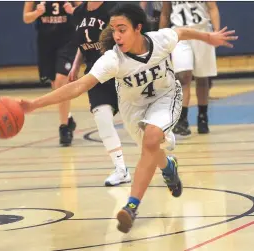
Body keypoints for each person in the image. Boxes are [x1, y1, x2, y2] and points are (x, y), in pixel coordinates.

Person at [18, 4, 237, 233]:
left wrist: (209, 37)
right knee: (152, 148)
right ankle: (168, 167)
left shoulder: (160, 40)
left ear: (138, 28)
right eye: (113, 30)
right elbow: (78, 86)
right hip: (133, 109)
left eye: (122, 29)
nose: (117, 35)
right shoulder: (112, 59)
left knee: (152, 139)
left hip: (166, 97)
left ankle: (131, 206)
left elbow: (181, 31)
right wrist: (35, 104)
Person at [68, 1, 131, 186]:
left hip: (120, 69)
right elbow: (82, 44)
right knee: (102, 118)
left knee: (139, 123)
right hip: (96, 74)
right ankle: (121, 169)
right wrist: (75, 65)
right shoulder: (79, 12)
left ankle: (163, 137)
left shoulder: (114, 8)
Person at [23, 1, 80, 146]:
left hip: (67, 41)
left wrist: (72, 10)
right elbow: (26, 17)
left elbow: (83, 10)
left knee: (62, 81)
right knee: (56, 85)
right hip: (46, 43)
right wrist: (37, 13)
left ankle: (64, 128)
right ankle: (68, 117)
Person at [160, 1, 221, 137]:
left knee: (202, 78)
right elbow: (165, 12)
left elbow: (212, 7)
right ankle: (182, 120)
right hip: (180, 34)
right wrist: (161, 36)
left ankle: (202, 116)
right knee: (183, 76)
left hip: (202, 32)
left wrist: (216, 33)